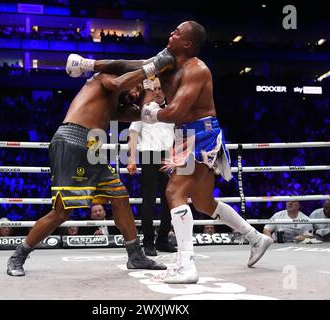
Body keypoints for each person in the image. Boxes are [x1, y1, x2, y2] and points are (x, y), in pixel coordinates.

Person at [68, 20, 274, 284]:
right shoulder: (166, 61)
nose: (170, 33)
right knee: (202, 202)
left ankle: (186, 265)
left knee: (174, 192)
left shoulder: (197, 70)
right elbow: (125, 66)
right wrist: (87, 64)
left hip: (200, 134)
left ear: (187, 43)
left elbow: (176, 112)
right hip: (185, 134)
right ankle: (256, 238)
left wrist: (150, 113)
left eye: (177, 32)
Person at [7, 50, 174, 276]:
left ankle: (136, 256)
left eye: (138, 90)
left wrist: (152, 95)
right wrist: (150, 68)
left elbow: (140, 114)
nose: (135, 92)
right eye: (135, 87)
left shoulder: (113, 104)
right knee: (61, 212)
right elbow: (119, 82)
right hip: (71, 140)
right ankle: (18, 255)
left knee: (120, 196)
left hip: (91, 147)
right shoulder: (103, 78)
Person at [127, 77, 176, 256]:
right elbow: (133, 134)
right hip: (148, 156)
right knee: (148, 200)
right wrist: (131, 159)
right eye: (154, 88)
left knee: (169, 200)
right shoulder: (144, 110)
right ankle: (148, 242)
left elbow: (179, 135)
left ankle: (163, 239)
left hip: (169, 157)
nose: (157, 91)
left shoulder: (172, 109)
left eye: (160, 88)